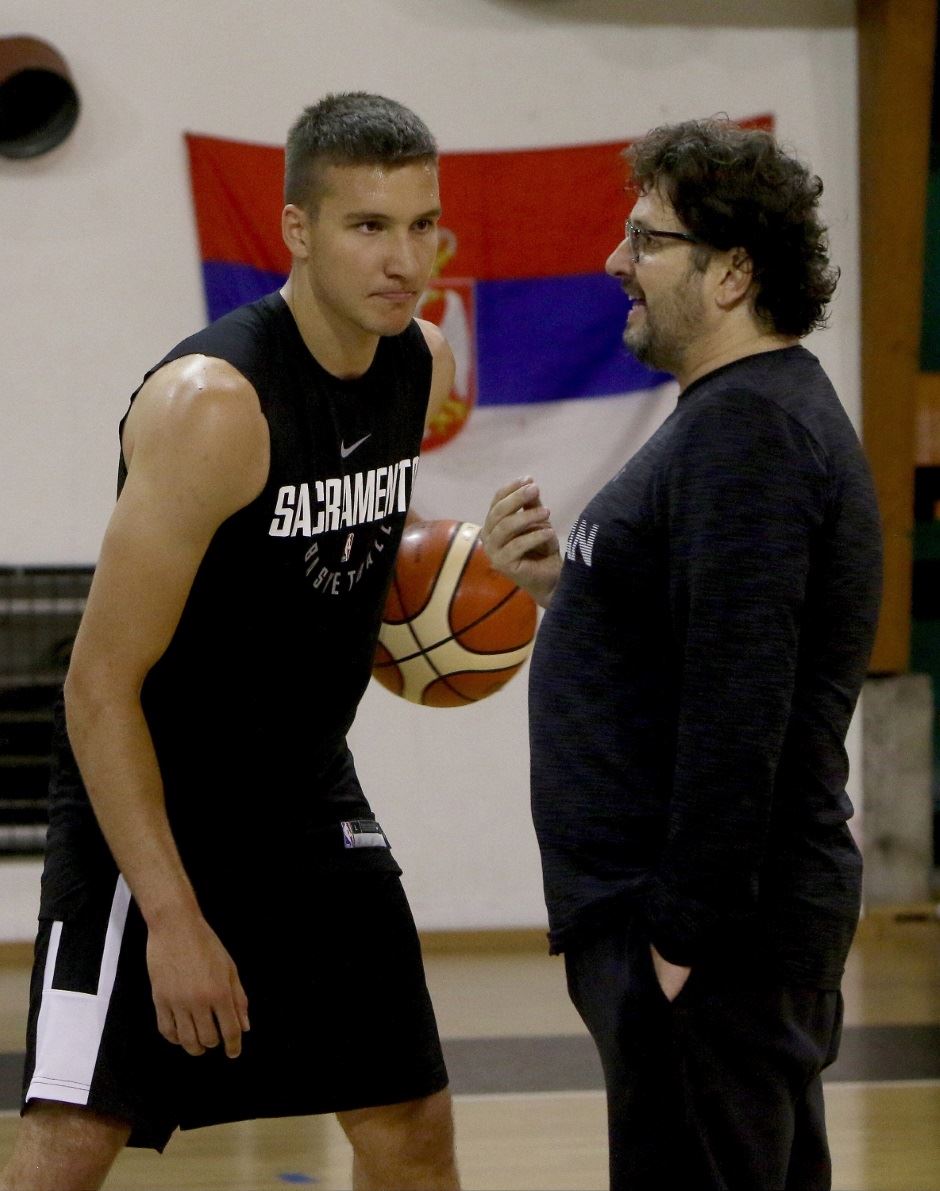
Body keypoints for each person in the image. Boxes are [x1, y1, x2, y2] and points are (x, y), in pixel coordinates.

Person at [1, 92, 460, 1191]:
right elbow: (98, 688)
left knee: (408, 1113)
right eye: (367, 226)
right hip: (153, 796)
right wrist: (173, 915)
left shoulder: (423, 365)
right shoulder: (214, 405)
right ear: (297, 230)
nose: (403, 259)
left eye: (421, 225)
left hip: (305, 791)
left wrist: (463, 608)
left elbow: (332, 571)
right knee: (75, 1133)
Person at [482, 118, 882, 1191]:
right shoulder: (734, 419)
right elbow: (698, 639)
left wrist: (678, 942)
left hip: (710, 942)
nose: (615, 262)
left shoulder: (746, 432)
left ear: (732, 271)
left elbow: (738, 699)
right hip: (705, 935)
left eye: (644, 240)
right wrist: (566, 595)